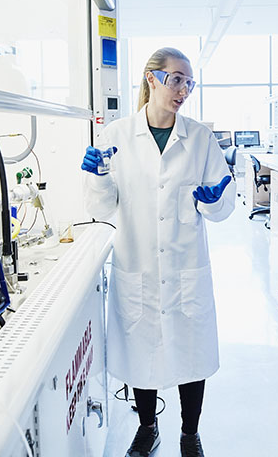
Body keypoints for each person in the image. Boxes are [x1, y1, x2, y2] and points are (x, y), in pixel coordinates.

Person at [81, 47, 235, 457]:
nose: (183, 89)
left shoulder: (200, 138)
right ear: (152, 79)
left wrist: (214, 199)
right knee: (141, 352)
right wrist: (96, 178)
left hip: (186, 267)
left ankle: (189, 434)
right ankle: (148, 428)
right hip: (137, 264)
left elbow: (223, 206)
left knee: (190, 351)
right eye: (176, 79)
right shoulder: (116, 135)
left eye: (189, 82)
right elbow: (100, 207)